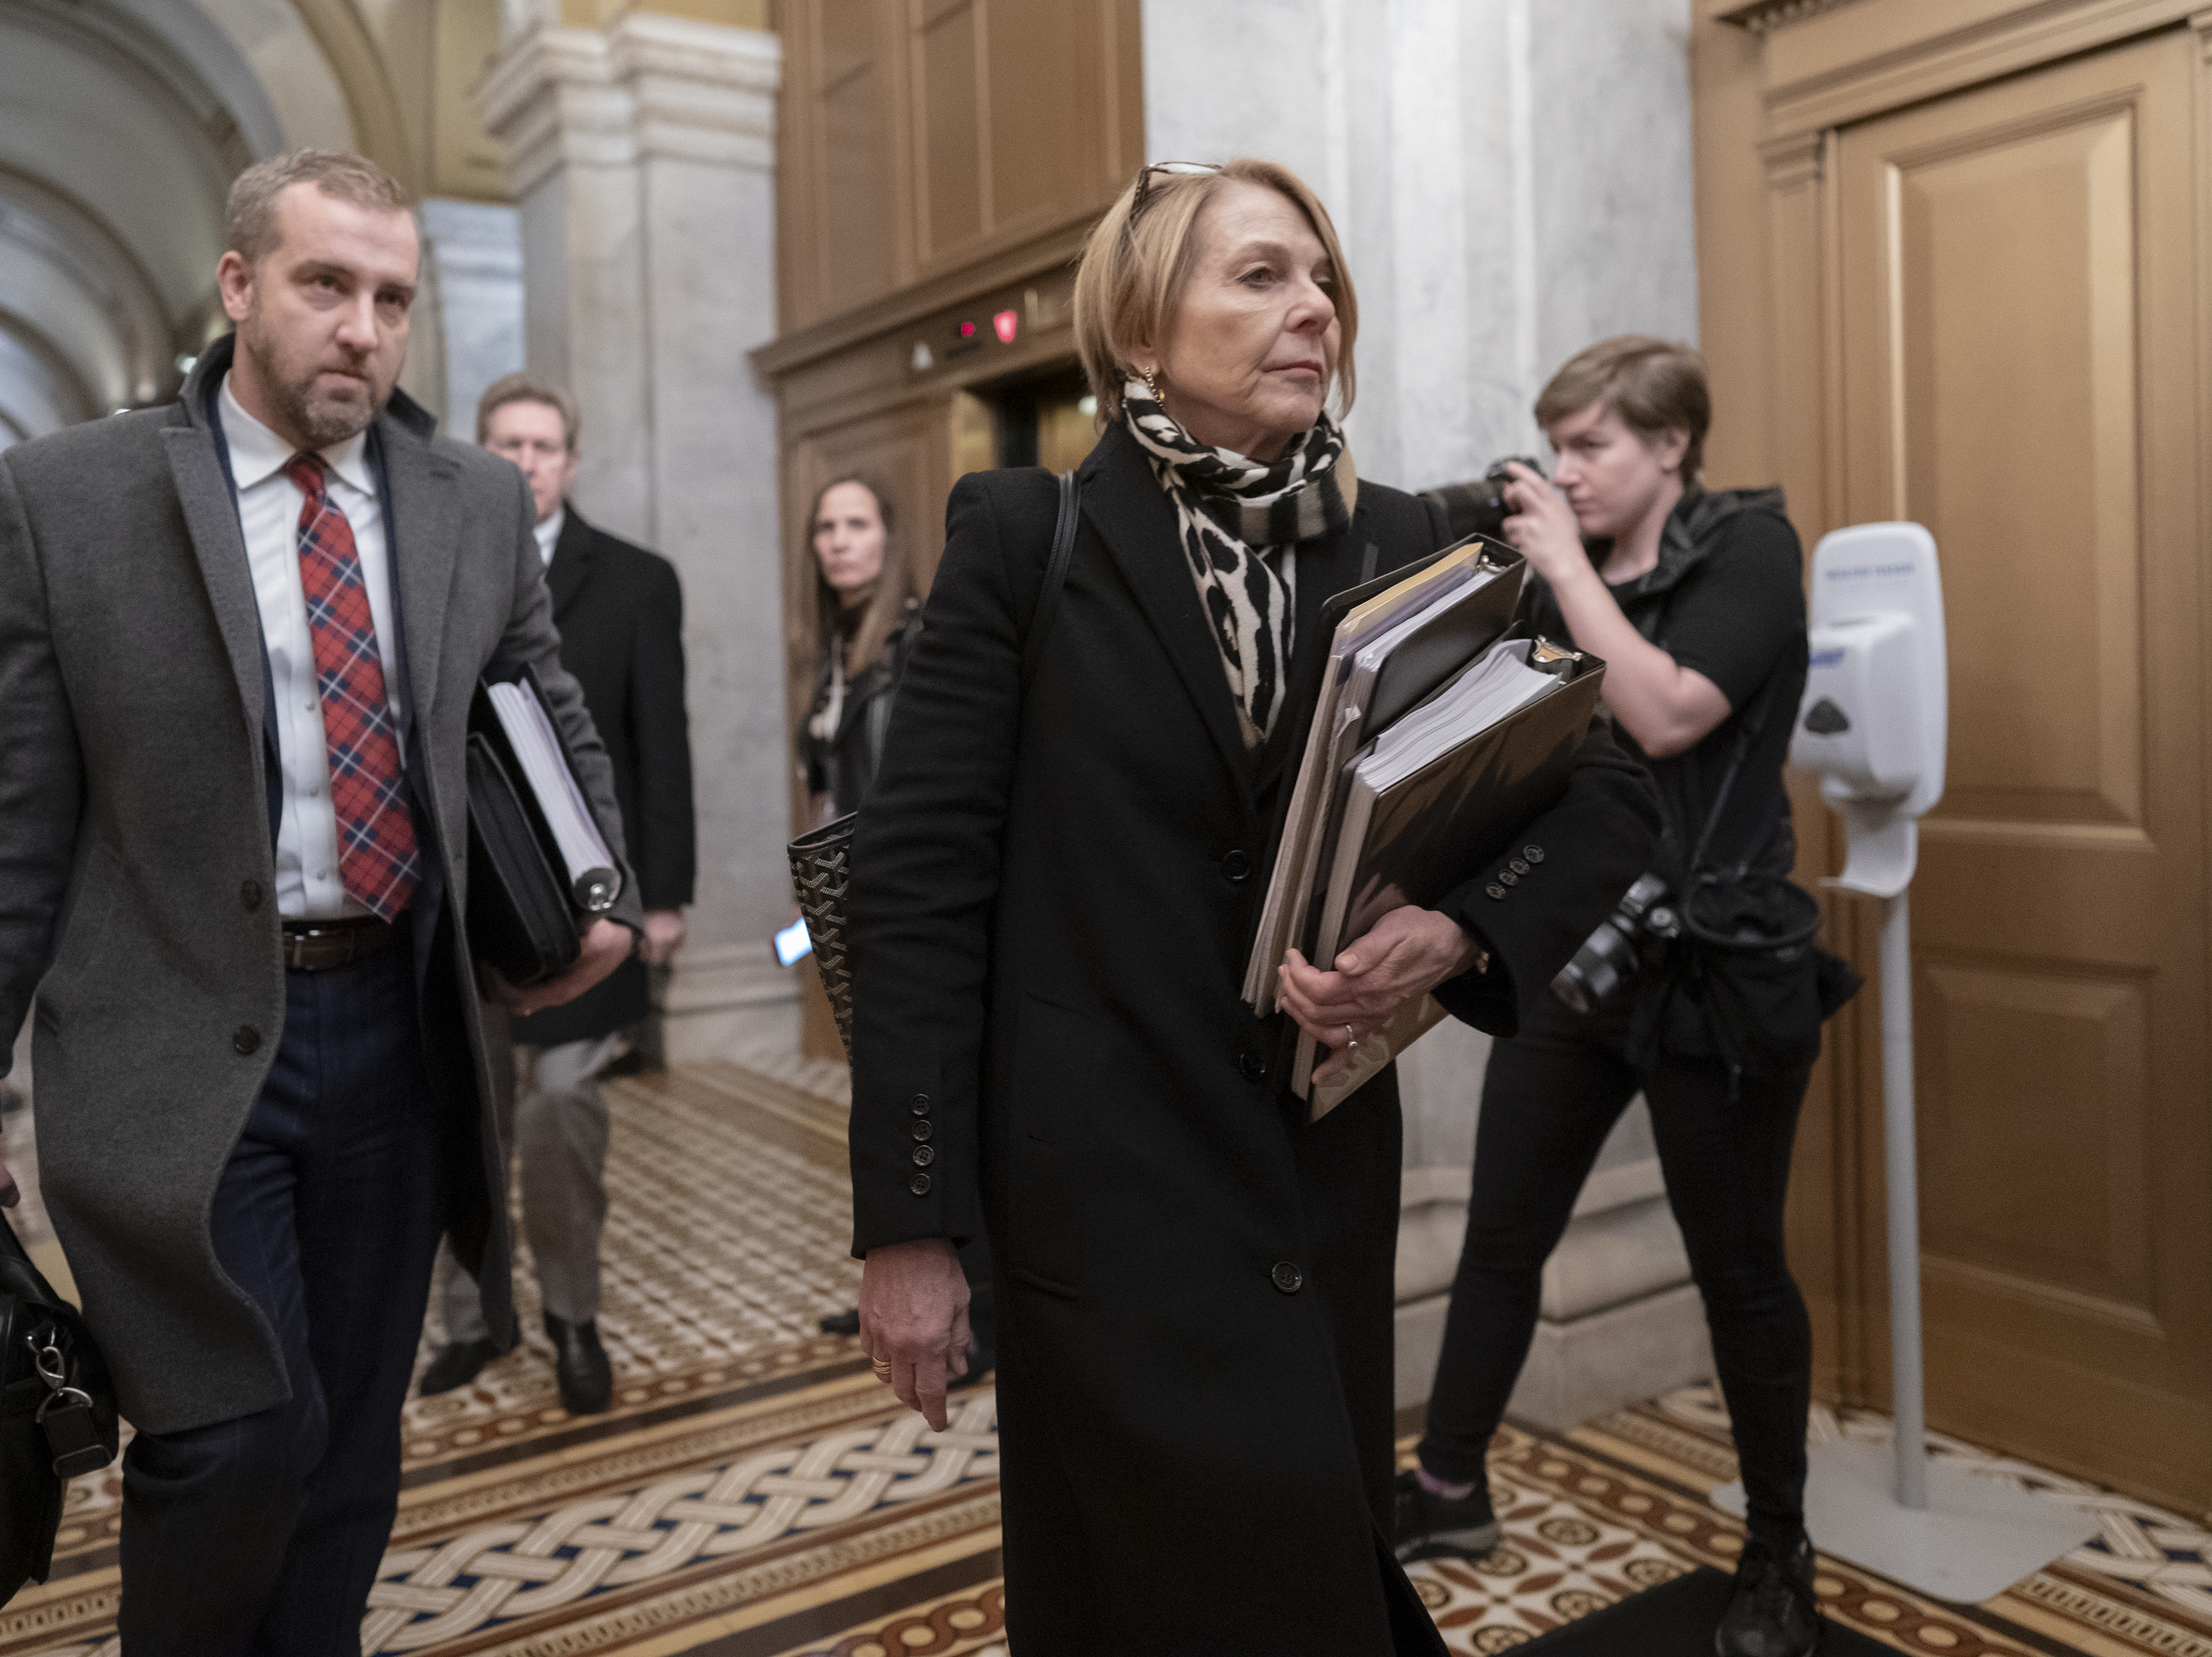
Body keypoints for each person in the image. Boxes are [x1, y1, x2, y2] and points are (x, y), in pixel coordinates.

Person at [845, 158, 1662, 1656]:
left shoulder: (1407, 542)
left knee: (1305, 1590)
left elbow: (1605, 788)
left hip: (1310, 1192)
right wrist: (907, 1227)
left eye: (1323, 280)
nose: (1313, 312)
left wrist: (1461, 927)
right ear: (1142, 332)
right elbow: (916, 892)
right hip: (1097, 1211)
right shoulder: (1028, 540)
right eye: (1261, 277)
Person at [0, 150, 640, 1650]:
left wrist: (597, 882)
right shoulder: (66, 501)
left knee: (351, 1453)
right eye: (325, 286)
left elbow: (549, 710)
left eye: (393, 298)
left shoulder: (473, 503)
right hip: (174, 1049)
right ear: (239, 289)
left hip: (398, 1037)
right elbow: (19, 836)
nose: (364, 327)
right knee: (231, 1444)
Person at [1392, 336, 1826, 1657]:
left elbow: (1668, 713)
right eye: (1557, 445)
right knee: (1502, 1232)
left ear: (1670, 447)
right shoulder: (1552, 576)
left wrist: (1565, 568)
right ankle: (1449, 1487)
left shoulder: (1750, 551)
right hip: (1580, 960)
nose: (1565, 470)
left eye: (1592, 447)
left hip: (1717, 971)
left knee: (1738, 1271)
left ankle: (1776, 1549)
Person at [419, 373, 696, 1415]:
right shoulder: (432, 573)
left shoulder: (635, 579)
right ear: (478, 455)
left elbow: (658, 748)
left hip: (587, 898)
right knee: (467, 1116)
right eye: (505, 443)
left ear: (569, 462)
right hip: (461, 906)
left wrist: (659, 895)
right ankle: (470, 1320)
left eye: (542, 445)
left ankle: (571, 1317)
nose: (524, 460)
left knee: (565, 1106)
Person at [799, 476, 923, 828]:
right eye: (826, 527)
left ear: (888, 538)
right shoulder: (830, 650)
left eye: (857, 525)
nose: (839, 542)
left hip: (900, 860)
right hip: (841, 870)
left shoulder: (918, 642)